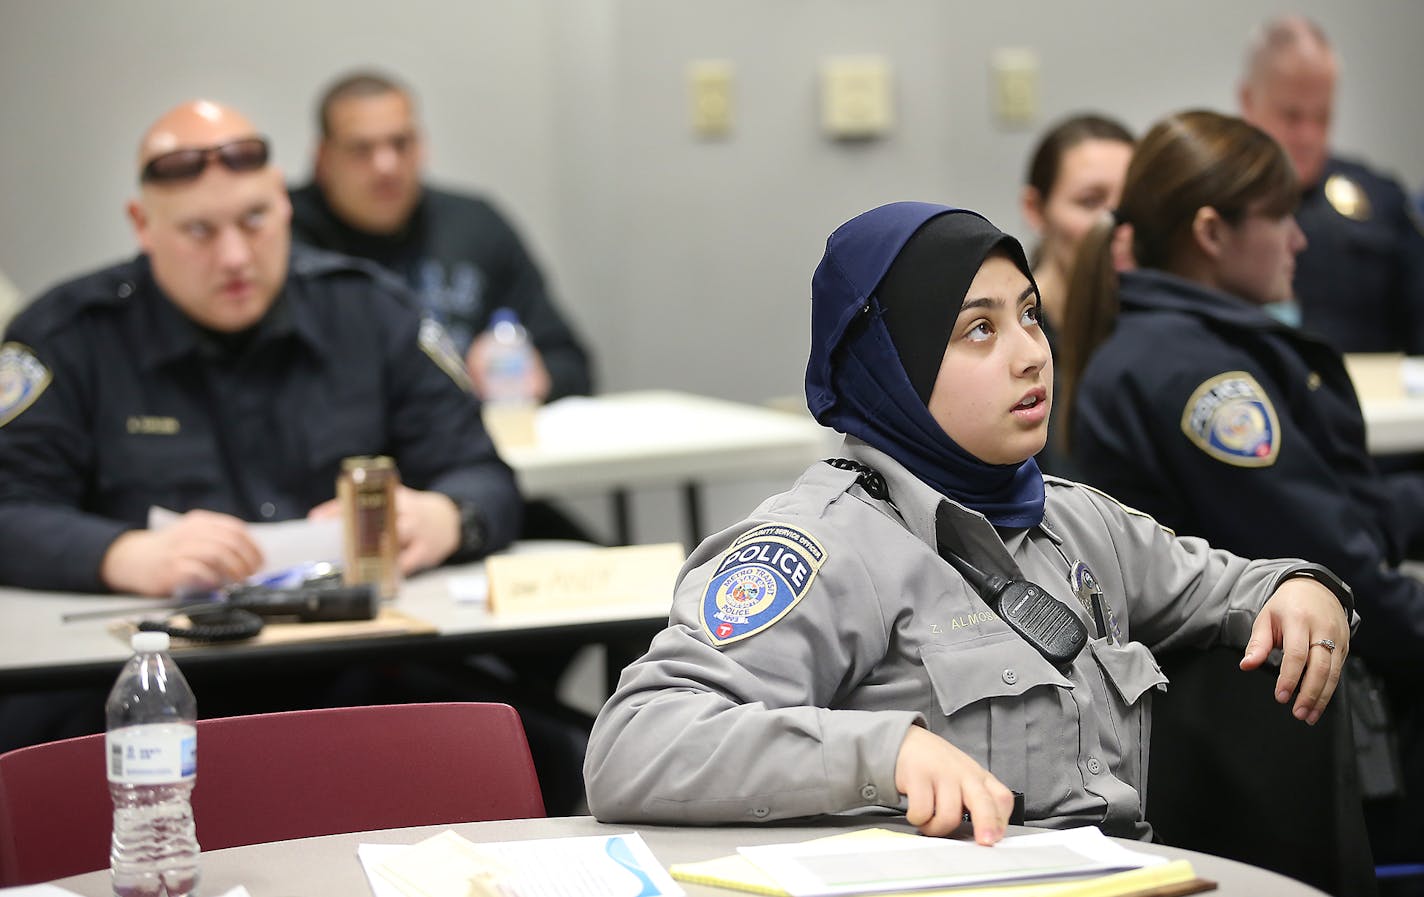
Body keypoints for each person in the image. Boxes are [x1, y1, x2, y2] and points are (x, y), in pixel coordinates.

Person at [584, 200, 1353, 845]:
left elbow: (1240, 586)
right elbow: (635, 744)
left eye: (1029, 315)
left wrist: (1302, 588)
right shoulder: (826, 547)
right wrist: (884, 752)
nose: (1032, 355)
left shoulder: (1076, 522)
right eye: (978, 331)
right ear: (894, 369)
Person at [1061, 108, 1419, 886]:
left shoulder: (1184, 345)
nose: (1300, 240)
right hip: (1262, 726)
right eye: (1282, 217)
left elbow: (1329, 509)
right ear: (1212, 232)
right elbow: (1339, 567)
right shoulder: (1201, 378)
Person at [0, 100, 519, 595]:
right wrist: (122, 554)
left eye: (255, 220)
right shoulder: (69, 338)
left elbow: (483, 474)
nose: (235, 257)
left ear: (285, 204)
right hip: (158, 657)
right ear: (142, 225)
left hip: (357, 655)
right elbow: (10, 509)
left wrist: (446, 517)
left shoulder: (371, 314)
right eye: (199, 231)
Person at [289, 70, 592, 404]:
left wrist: (535, 377)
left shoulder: (476, 225)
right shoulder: (283, 240)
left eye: (401, 143)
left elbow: (571, 363)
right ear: (323, 158)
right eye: (362, 149)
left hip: (463, 438)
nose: (386, 165)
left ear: (422, 146)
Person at [1238, 14, 1424, 354]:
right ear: (1248, 101)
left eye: (1322, 117)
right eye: (1291, 116)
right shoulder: (1219, 198)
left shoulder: (1380, 199)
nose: (1308, 136)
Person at [1018, 113, 1134, 477]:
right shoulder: (1015, 344)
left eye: (1129, 201)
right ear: (1036, 209)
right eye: (1090, 201)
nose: (1117, 224)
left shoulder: (1150, 335)